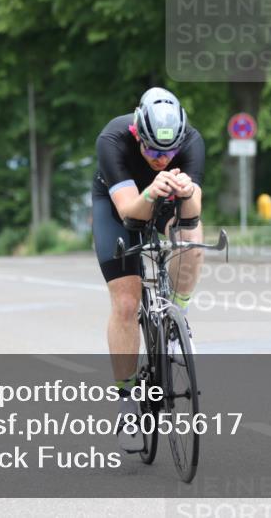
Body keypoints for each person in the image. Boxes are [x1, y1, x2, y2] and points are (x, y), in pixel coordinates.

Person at [90, 87, 206, 453]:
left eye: (169, 152)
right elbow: (129, 213)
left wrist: (187, 192)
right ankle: (127, 403)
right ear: (138, 134)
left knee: (192, 236)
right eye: (154, 150)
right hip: (120, 209)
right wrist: (154, 190)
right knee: (126, 303)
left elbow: (196, 208)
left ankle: (178, 316)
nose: (161, 159)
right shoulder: (112, 139)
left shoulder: (191, 141)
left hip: (164, 201)